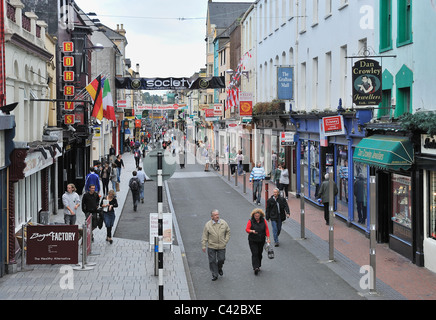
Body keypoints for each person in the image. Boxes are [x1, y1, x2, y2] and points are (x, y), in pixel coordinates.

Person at [201, 210, 231, 281]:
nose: (217, 216)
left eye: (218, 214)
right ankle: (215, 274)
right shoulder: (208, 225)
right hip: (212, 246)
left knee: (221, 259)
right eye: (215, 215)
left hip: (221, 246)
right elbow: (204, 235)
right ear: (212, 217)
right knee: (212, 261)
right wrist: (203, 245)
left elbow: (228, 232)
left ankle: (219, 268)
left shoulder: (223, 223)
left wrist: (226, 240)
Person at [245, 208, 270, 275]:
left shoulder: (263, 221)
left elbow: (266, 229)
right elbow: (247, 229)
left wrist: (268, 238)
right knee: (255, 253)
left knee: (259, 253)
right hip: (252, 240)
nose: (256, 217)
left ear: (260, 215)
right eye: (255, 216)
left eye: (258, 216)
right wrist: (252, 231)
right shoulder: (250, 221)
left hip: (261, 240)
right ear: (253, 215)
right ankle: (255, 267)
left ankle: (258, 265)